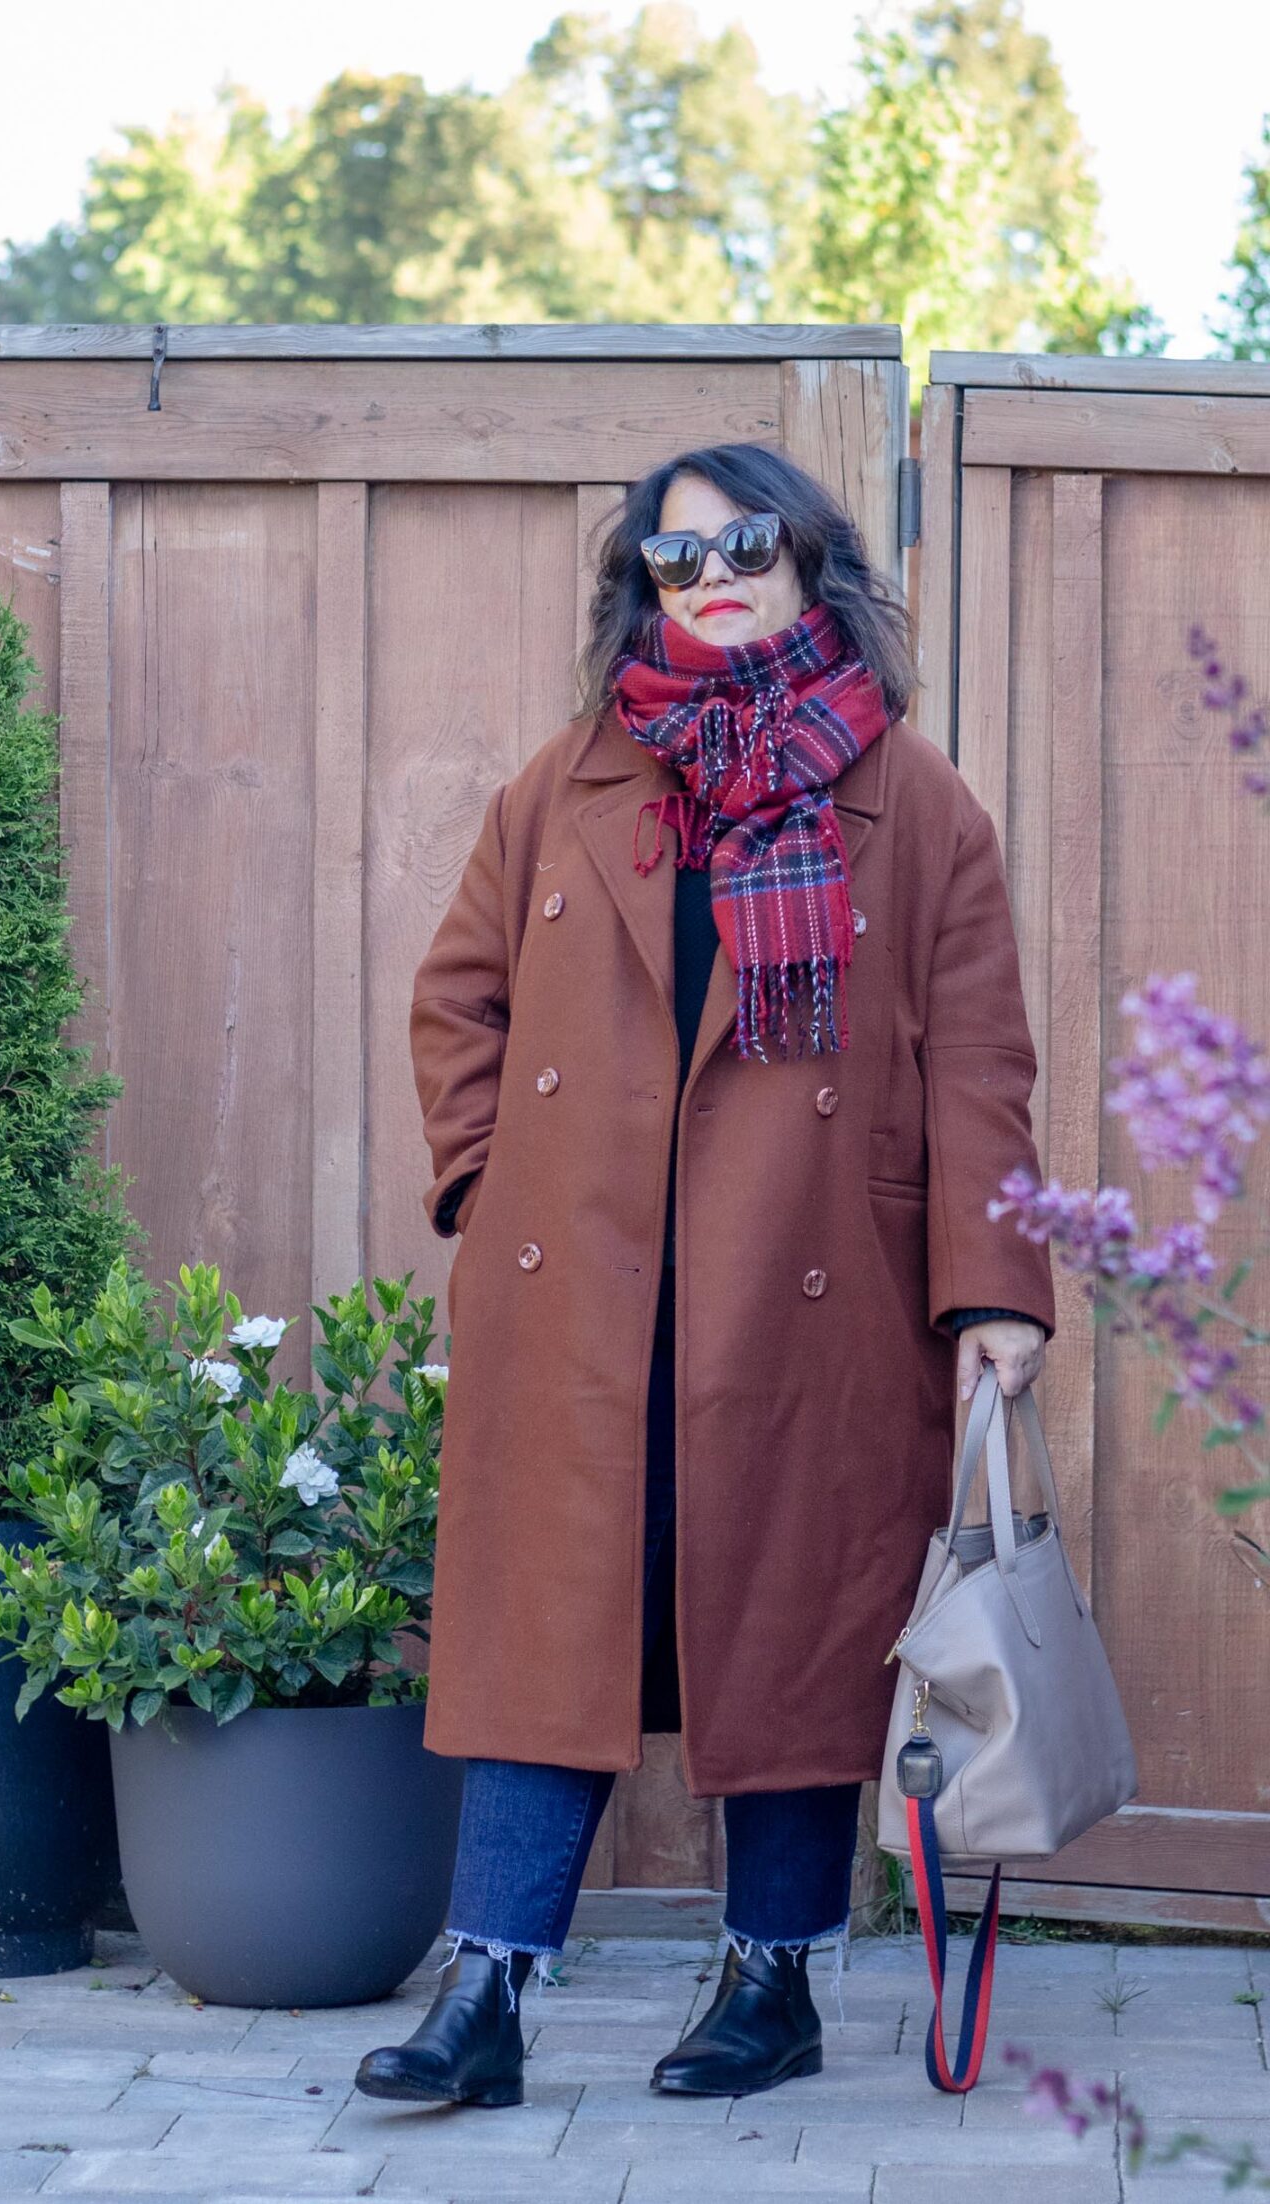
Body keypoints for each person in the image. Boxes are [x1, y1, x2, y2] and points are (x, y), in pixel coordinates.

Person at [355, 441, 1056, 2110]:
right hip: (584, 1294)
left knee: (792, 1631)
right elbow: (458, 999)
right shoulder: (570, 777)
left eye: (745, 543)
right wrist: (483, 1178)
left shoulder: (914, 798)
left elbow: (980, 1063)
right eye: (674, 560)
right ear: (642, 590)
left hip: (806, 1286)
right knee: (549, 1632)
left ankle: (774, 1980)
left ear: (811, 559)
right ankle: (491, 1992)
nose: (714, 575)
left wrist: (995, 1291)